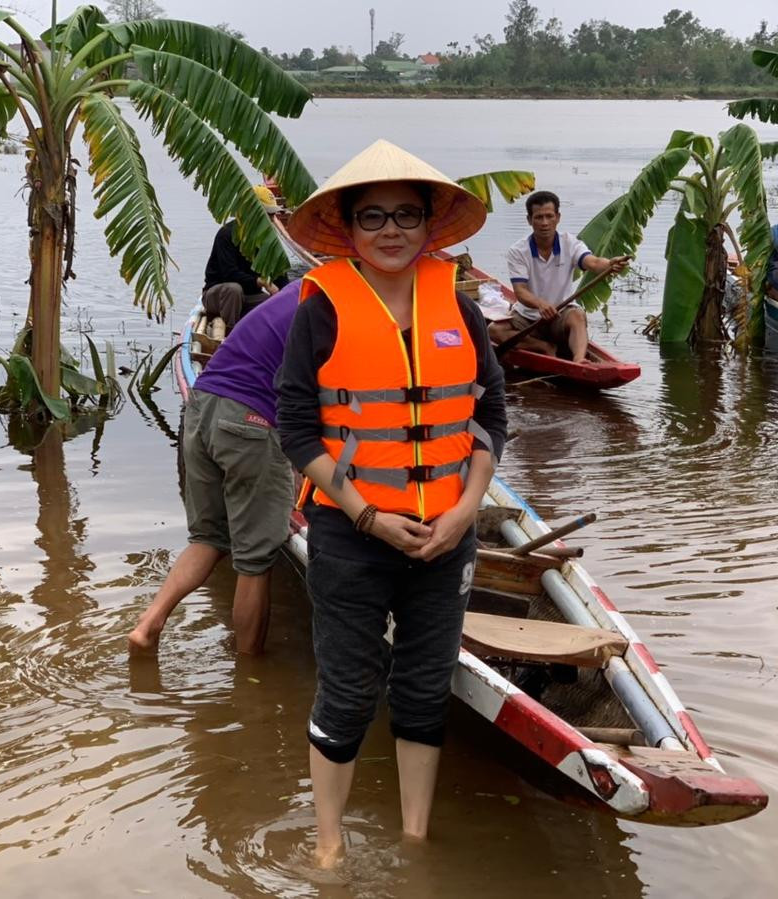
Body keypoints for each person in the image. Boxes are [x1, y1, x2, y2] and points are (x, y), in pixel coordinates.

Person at [275, 139, 507, 868]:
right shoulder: (322, 309)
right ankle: (328, 844)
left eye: (406, 214)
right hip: (352, 531)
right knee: (347, 689)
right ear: (347, 227)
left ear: (429, 223)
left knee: (422, 686)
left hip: (447, 535)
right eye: (372, 215)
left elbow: (490, 416)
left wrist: (466, 511)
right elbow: (295, 426)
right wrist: (369, 514)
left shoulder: (459, 309)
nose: (390, 229)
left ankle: (414, 838)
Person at [128, 284, 300, 655]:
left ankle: (148, 625)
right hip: (248, 418)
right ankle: (248, 678)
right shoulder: (342, 305)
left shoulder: (296, 293)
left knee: (208, 537)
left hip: (202, 405)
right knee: (255, 559)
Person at [496, 190, 628, 363]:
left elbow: (594, 263)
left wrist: (610, 264)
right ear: (529, 220)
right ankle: (542, 347)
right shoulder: (518, 251)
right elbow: (520, 292)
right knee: (494, 331)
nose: (545, 223)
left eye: (549, 216)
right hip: (528, 317)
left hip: (561, 315)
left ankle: (579, 359)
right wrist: (540, 304)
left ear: (557, 217)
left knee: (578, 315)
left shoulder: (570, 243)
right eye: (539, 217)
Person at [201, 184, 291, 331]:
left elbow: (281, 278)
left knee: (273, 305)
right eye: (267, 215)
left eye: (272, 215)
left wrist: (290, 297)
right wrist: (262, 282)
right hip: (219, 296)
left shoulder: (267, 241)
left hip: (249, 297)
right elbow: (229, 274)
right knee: (234, 290)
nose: (271, 219)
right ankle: (230, 333)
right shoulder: (227, 234)